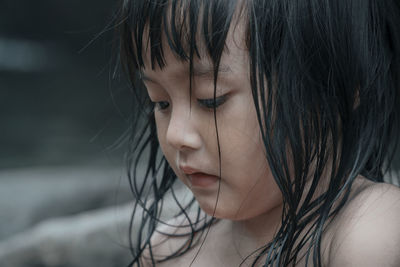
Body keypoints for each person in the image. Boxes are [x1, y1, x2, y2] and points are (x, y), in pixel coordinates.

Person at [116, 0, 400, 266]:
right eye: (160, 102)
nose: (175, 135)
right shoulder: (170, 252)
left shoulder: (368, 231)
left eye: (211, 99)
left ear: (335, 89)